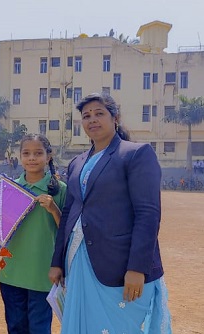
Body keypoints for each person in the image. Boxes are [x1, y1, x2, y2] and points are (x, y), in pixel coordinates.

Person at [48, 93, 172, 333]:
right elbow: (69, 215)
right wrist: (57, 262)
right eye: (86, 116)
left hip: (119, 263)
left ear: (115, 117)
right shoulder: (77, 162)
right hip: (78, 262)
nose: (92, 120)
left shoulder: (136, 154)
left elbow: (148, 214)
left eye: (99, 113)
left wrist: (138, 268)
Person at [0, 133, 66, 334]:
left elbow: (66, 233)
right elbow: (0, 229)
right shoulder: (9, 189)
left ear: (48, 157)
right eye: (26, 153)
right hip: (11, 274)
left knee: (40, 328)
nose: (32, 158)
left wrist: (54, 210)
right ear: (19, 157)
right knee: (15, 328)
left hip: (43, 275)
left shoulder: (59, 190)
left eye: (38, 153)